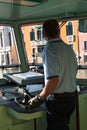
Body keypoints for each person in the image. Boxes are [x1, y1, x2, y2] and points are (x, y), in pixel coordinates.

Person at [27, 19, 78, 130]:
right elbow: (71, 71)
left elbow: (53, 80)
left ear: (44, 34)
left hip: (58, 102)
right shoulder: (69, 49)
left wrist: (39, 98)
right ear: (59, 31)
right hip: (71, 99)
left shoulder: (49, 50)